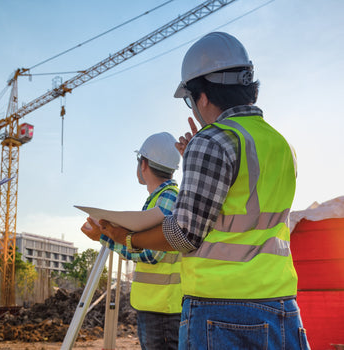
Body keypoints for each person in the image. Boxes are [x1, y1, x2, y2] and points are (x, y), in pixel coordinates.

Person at [92, 32, 310, 349]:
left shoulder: (213, 140)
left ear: (203, 96)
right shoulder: (280, 144)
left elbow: (184, 233)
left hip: (221, 307)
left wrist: (128, 238)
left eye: (191, 100)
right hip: (280, 304)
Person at [82, 132, 182, 350]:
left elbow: (151, 253)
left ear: (143, 164)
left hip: (163, 308)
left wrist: (105, 237)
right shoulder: (159, 197)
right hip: (157, 306)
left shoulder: (167, 198)